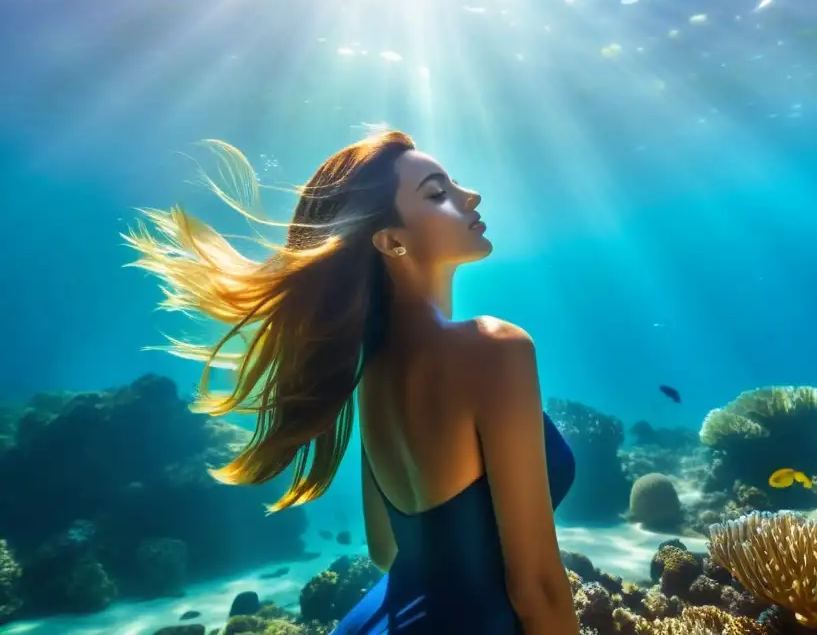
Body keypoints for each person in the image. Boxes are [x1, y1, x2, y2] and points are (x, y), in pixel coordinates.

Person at [125, 130, 580, 635]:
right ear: (390, 241)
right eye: (437, 192)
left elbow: (387, 551)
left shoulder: (373, 371)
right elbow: (535, 587)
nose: (470, 195)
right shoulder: (496, 349)